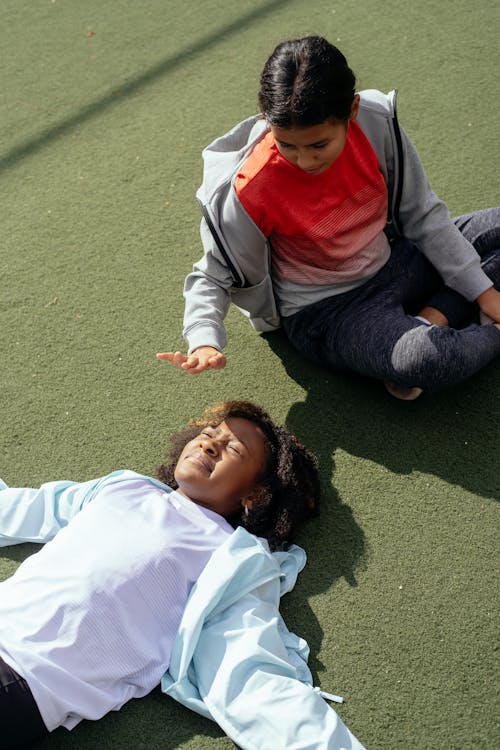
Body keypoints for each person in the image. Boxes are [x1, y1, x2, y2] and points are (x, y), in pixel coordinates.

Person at [0, 401, 365, 749]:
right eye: (210, 432)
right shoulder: (125, 486)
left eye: (232, 449)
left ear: (255, 494)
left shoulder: (230, 559)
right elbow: (28, 509)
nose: (210, 444)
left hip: (29, 680)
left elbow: (248, 670)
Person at [157, 35, 500, 400]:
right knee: (430, 359)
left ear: (351, 111)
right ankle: (466, 328)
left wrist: (482, 292)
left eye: (319, 144)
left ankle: (433, 317)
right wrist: (203, 339)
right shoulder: (247, 187)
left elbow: (424, 216)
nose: (304, 161)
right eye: (287, 145)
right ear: (266, 121)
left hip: (398, 257)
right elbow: (212, 273)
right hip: (330, 312)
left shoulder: (376, 124)